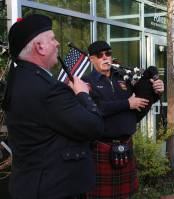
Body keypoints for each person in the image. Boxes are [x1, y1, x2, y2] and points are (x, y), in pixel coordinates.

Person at [4, 14, 105, 199]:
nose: (58, 43)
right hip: (54, 189)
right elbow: (94, 127)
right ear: (39, 47)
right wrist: (83, 94)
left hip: (32, 186)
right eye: (52, 38)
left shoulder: (21, 78)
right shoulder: (48, 89)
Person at [81, 41, 164, 199]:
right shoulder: (87, 81)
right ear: (91, 59)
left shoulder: (123, 78)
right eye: (100, 55)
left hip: (126, 143)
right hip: (101, 146)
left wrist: (156, 91)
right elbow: (96, 108)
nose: (105, 58)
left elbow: (141, 101)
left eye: (108, 54)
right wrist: (127, 103)